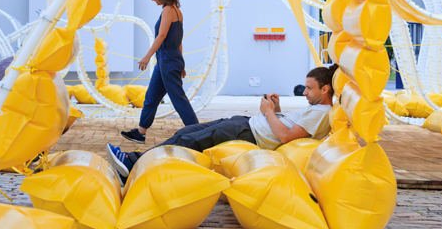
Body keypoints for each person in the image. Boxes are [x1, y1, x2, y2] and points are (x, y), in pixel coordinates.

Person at [107, 64, 338, 184]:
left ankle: (132, 163)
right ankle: (134, 162)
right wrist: (276, 110)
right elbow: (287, 126)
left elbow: (287, 137)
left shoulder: (321, 112)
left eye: (309, 88)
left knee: (188, 141)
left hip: (249, 133)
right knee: (186, 132)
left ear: (325, 89)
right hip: (245, 123)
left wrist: (269, 113)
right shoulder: (315, 108)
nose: (304, 92)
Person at [120, 0, 198, 144]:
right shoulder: (176, 10)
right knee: (152, 97)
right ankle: (141, 132)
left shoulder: (168, 10)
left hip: (167, 59)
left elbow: (162, 36)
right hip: (168, 59)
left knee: (178, 98)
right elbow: (179, 41)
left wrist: (147, 56)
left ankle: (197, 132)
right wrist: (181, 62)